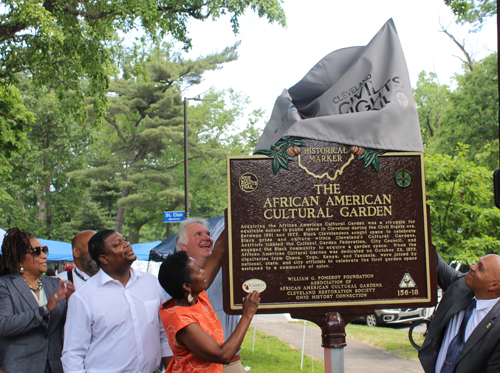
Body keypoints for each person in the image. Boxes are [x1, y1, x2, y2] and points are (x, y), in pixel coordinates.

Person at [61, 229, 172, 372]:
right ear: (103, 258)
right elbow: (73, 353)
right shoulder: (83, 297)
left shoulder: (151, 283)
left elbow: (163, 333)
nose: (126, 244)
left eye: (124, 240)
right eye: (117, 244)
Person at [159, 234, 260, 373]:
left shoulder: (195, 297)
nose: (203, 272)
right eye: (198, 271)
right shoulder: (182, 321)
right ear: (187, 286)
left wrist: (235, 216)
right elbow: (223, 355)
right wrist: (247, 315)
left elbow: (218, 250)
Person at [0, 227, 74, 373]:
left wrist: (72, 303)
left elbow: (68, 325)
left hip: (55, 366)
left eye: (44, 250)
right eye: (37, 252)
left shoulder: (54, 283)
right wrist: (45, 310)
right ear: (19, 258)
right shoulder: (4, 286)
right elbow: (4, 325)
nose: (44, 256)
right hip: (21, 367)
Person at [175, 218, 245, 372]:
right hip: (199, 366)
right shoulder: (174, 279)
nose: (207, 237)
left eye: (208, 233)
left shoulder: (228, 268)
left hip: (232, 365)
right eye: (198, 234)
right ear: (183, 246)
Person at [419, 254, 500, 373]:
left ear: (494, 285)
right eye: (477, 263)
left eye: (480, 268)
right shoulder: (460, 285)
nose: (472, 267)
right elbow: (432, 259)